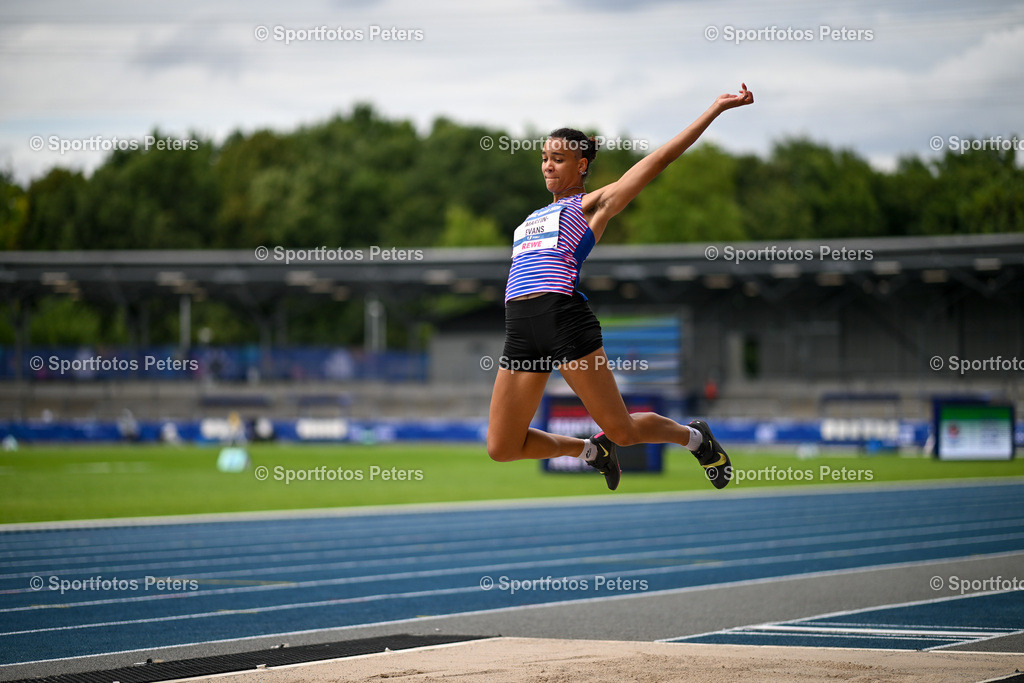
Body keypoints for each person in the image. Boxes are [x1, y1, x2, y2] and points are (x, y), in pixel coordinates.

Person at [486, 84, 754, 491]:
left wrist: (715, 109)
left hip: (563, 321)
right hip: (521, 328)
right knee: (502, 447)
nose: (548, 166)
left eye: (558, 159)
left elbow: (658, 160)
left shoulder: (591, 206)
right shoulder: (530, 217)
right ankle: (591, 452)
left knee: (623, 430)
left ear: (581, 166)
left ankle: (697, 439)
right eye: (544, 158)